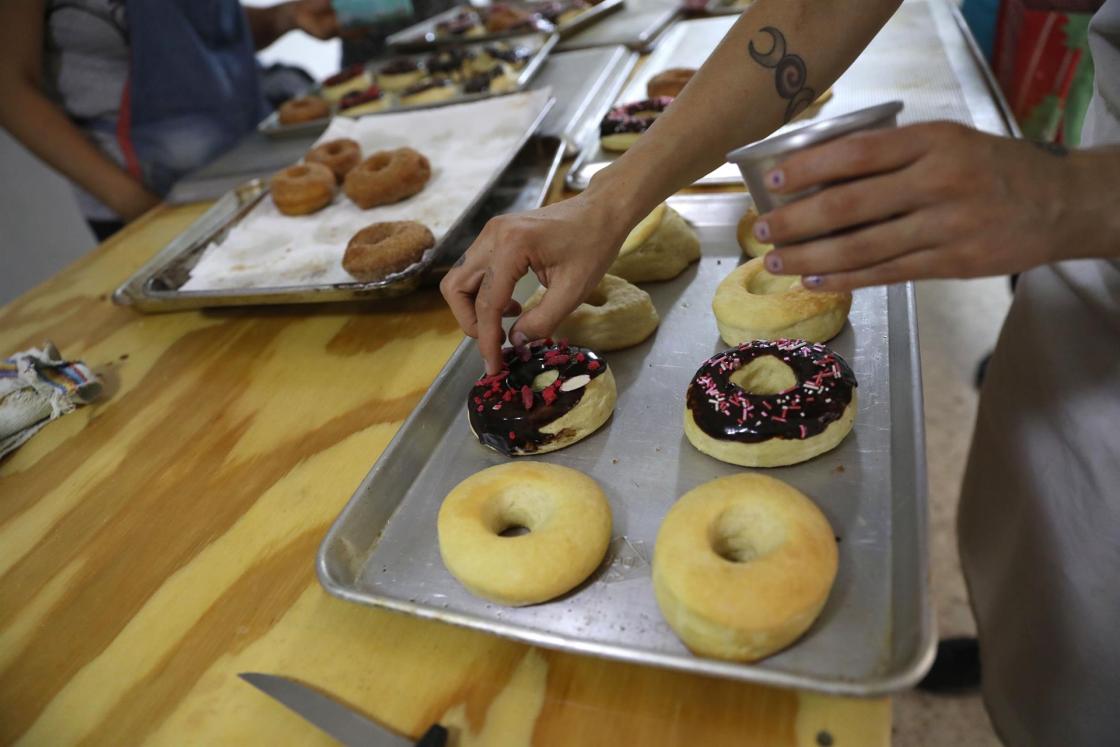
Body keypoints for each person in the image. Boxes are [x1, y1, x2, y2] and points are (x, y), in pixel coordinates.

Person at [440, 1, 1120, 744]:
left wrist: (1077, 199)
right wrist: (611, 199)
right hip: (1085, 294)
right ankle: (1007, 654)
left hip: (1085, 222)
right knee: (1032, 567)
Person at [0, 0, 339, 241]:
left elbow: (196, 31)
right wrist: (133, 202)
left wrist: (285, 17)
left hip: (261, 159)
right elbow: (10, 87)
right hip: (151, 199)